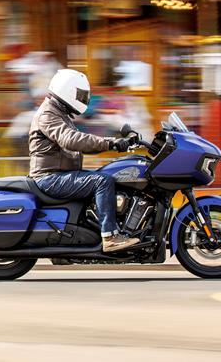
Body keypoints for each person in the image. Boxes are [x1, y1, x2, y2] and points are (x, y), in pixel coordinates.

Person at [28, 69, 139, 252]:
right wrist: (110, 144)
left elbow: (79, 141)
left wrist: (118, 144)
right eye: (81, 95)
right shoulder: (48, 114)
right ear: (68, 91)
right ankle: (110, 237)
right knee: (102, 181)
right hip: (49, 178)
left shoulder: (59, 112)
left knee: (106, 174)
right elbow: (71, 139)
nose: (84, 99)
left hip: (59, 174)